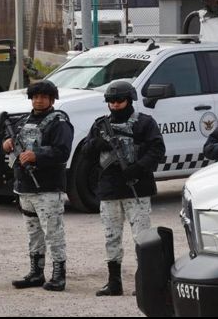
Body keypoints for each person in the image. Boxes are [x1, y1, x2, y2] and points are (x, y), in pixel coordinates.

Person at [82, 80, 165, 297]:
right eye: (111, 101)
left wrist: (138, 168)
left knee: (142, 237)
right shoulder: (100, 125)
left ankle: (145, 283)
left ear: (130, 100)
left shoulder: (144, 123)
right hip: (109, 189)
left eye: (120, 100)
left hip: (137, 188)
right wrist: (95, 144)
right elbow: (86, 152)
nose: (115, 105)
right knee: (111, 237)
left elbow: (157, 149)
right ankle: (114, 283)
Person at [3, 80, 73, 292]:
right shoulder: (23, 121)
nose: (39, 100)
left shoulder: (59, 122)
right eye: (35, 96)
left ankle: (59, 275)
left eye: (43, 97)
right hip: (25, 187)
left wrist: (37, 155)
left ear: (52, 99)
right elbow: (12, 142)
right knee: (33, 233)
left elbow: (62, 152)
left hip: (48, 188)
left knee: (53, 233)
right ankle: (36, 273)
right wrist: (6, 144)